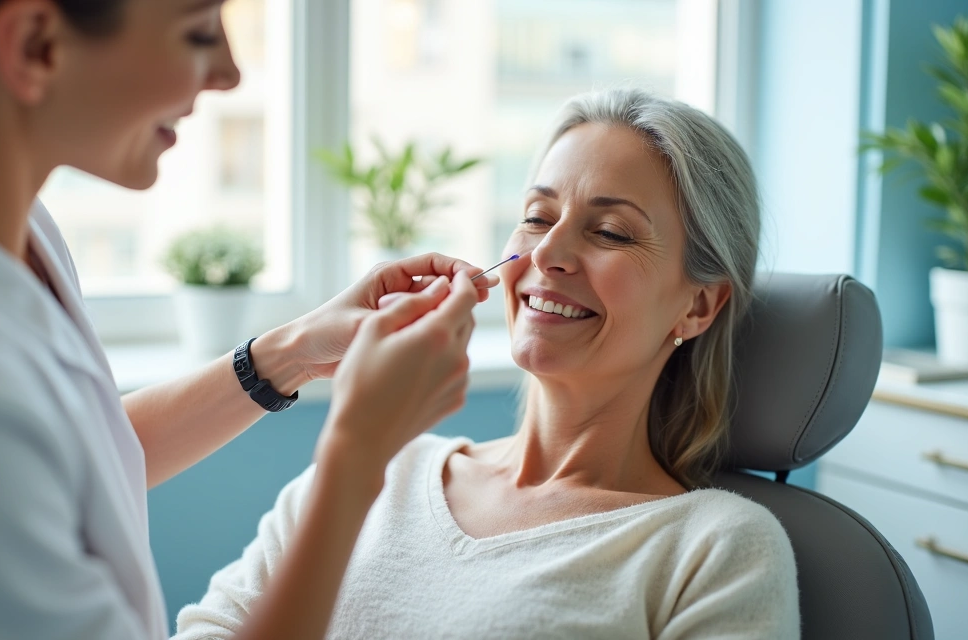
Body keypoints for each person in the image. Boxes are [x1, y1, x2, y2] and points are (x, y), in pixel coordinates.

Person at [0, 1, 499, 639]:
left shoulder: (3, 228)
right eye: (196, 32)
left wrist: (287, 355)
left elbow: (77, 460)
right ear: (37, 45)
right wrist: (358, 451)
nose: (228, 74)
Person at [174, 89, 801, 639]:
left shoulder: (715, 548)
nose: (547, 252)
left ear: (697, 306)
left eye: (610, 232)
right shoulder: (383, 470)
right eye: (536, 216)